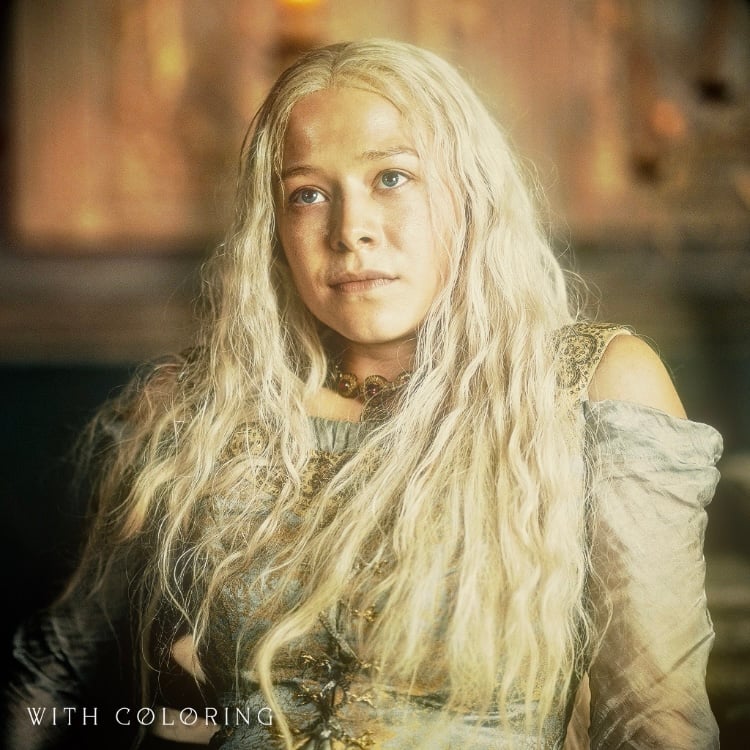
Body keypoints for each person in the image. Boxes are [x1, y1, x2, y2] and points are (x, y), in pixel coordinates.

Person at [4, 39, 722, 749]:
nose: (351, 232)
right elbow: (55, 670)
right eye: (308, 194)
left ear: (470, 194)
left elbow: (655, 720)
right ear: (272, 227)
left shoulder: (594, 386)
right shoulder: (200, 408)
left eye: (392, 177)